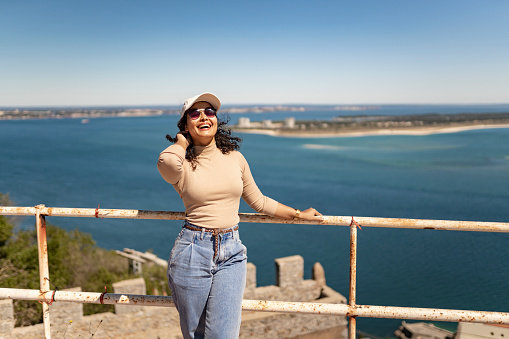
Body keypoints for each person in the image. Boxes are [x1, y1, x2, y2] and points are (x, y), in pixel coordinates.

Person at [157, 92, 323, 339]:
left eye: (209, 112)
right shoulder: (182, 162)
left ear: (216, 120)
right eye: (195, 113)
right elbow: (166, 162)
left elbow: (259, 201)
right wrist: (182, 143)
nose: (204, 117)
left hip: (231, 252)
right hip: (193, 250)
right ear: (185, 124)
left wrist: (299, 214)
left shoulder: (235, 158)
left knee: (224, 335)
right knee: (196, 334)